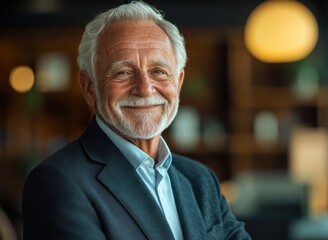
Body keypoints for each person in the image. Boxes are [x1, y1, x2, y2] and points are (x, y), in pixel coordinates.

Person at [22, 1, 251, 239]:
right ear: (89, 87)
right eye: (123, 73)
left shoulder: (199, 180)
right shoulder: (58, 183)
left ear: (179, 82)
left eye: (159, 72)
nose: (144, 88)